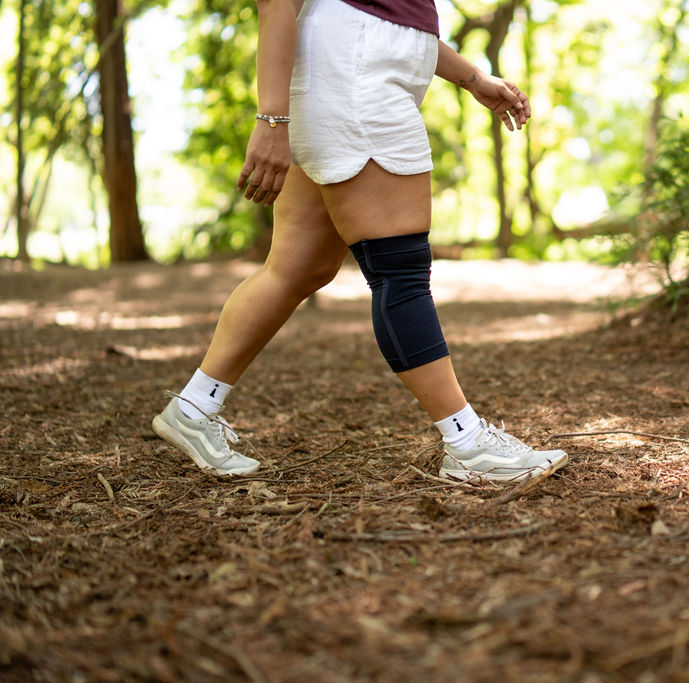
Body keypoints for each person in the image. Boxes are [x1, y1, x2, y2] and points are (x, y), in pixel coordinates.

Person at [151, 0, 568, 483]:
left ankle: (194, 406)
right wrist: (271, 119)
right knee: (399, 270)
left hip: (355, 70)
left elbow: (399, 17)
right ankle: (468, 443)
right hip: (354, 75)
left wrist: (474, 79)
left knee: (296, 268)